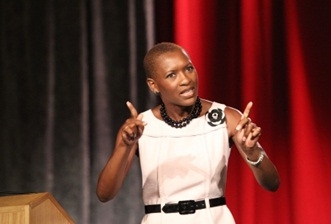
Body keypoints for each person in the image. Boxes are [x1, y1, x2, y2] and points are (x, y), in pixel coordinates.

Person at [96, 42, 280, 223]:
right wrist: (124, 145)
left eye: (189, 68)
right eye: (171, 75)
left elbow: (272, 183)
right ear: (154, 85)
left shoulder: (226, 118)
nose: (186, 80)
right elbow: (104, 194)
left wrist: (252, 151)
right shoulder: (141, 127)